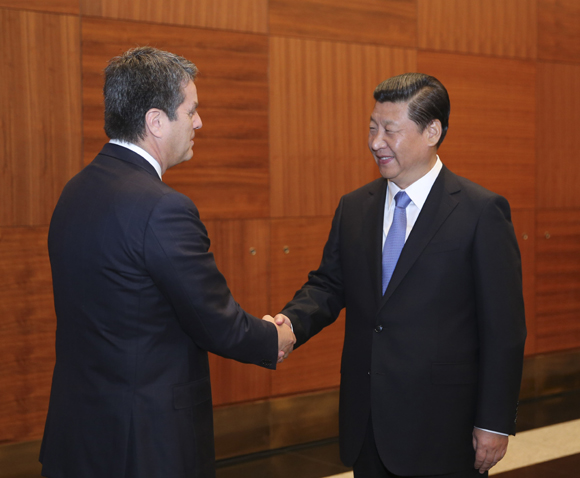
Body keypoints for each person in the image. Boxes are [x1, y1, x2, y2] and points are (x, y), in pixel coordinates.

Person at [39, 46, 295, 478]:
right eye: (191, 110)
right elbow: (216, 320)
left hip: (78, 438)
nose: (199, 122)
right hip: (143, 447)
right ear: (156, 121)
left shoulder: (74, 192)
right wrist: (274, 337)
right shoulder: (162, 208)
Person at [274, 73, 526, 477]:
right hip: (368, 423)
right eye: (372, 127)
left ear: (432, 131)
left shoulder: (480, 212)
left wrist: (494, 421)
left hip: (443, 426)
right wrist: (289, 324)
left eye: (390, 130)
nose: (376, 142)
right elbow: (327, 285)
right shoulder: (355, 207)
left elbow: (504, 328)